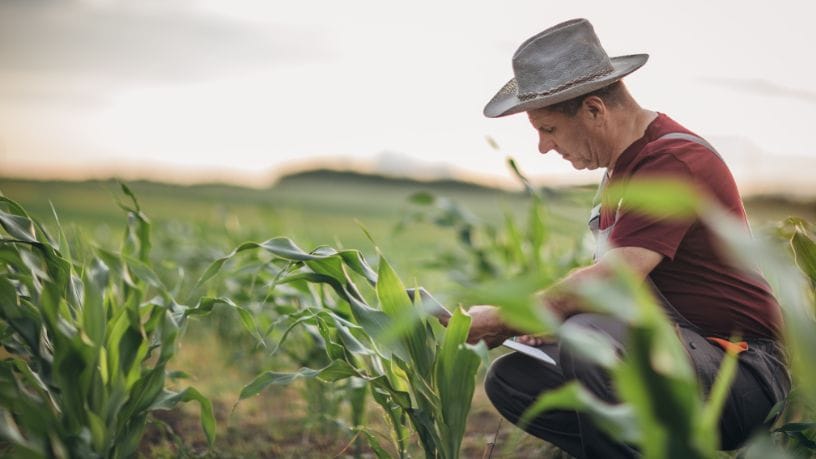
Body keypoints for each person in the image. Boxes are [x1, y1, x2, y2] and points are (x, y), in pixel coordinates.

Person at [461, 18, 790, 458]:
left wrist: (501, 319)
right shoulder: (622, 171)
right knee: (513, 380)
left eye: (549, 129)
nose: (543, 147)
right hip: (683, 354)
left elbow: (614, 280)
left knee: (589, 337)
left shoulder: (672, 161)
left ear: (595, 110)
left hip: (742, 371)